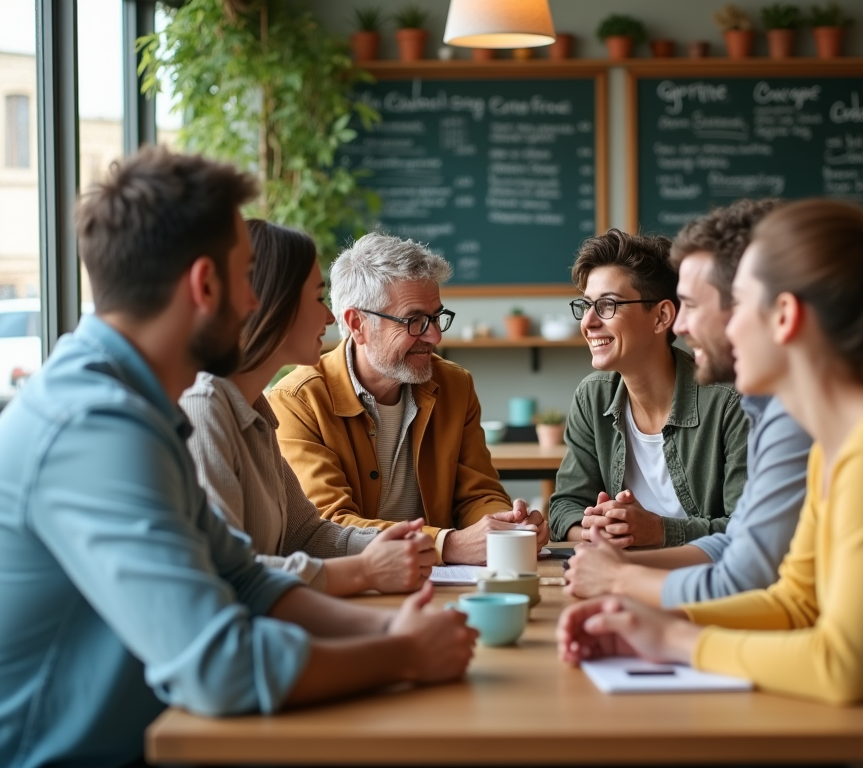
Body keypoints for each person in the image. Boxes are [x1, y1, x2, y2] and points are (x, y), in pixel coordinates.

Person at [0, 147, 476, 768]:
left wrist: (392, 629)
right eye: (248, 275)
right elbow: (217, 666)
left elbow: (244, 578)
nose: (257, 302)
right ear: (205, 285)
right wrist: (403, 654)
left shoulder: (137, 405)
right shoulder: (96, 427)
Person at [558, 199, 863, 768]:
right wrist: (643, 625)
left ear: (784, 317)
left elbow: (841, 665)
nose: (689, 324)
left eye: (737, 306)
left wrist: (672, 638)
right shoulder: (840, 445)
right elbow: (794, 601)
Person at [563, 200, 812, 606]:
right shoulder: (772, 410)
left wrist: (628, 577)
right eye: (586, 305)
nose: (682, 325)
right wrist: (617, 563)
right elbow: (737, 545)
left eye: (693, 306)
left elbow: (748, 573)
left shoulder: (774, 413)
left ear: (779, 312)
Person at [180, 219, 434, 596]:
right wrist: (364, 570)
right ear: (271, 303)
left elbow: (304, 534)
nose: (331, 317)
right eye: (317, 298)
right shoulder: (204, 408)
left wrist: (384, 545)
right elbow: (223, 569)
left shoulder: (254, 410)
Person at [269, 233, 549, 566]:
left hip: (440, 585)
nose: (435, 335)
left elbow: (478, 493)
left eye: (436, 317)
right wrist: (448, 544)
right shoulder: (297, 401)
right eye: (414, 321)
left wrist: (506, 525)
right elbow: (327, 526)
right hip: (356, 586)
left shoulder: (455, 385)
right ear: (358, 324)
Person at [548, 228, 748, 548]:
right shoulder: (593, 395)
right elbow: (564, 509)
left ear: (662, 317)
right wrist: (606, 530)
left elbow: (749, 529)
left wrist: (659, 532)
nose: (588, 322)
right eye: (586, 305)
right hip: (623, 571)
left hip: (705, 580)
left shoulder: (730, 402)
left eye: (608, 305)